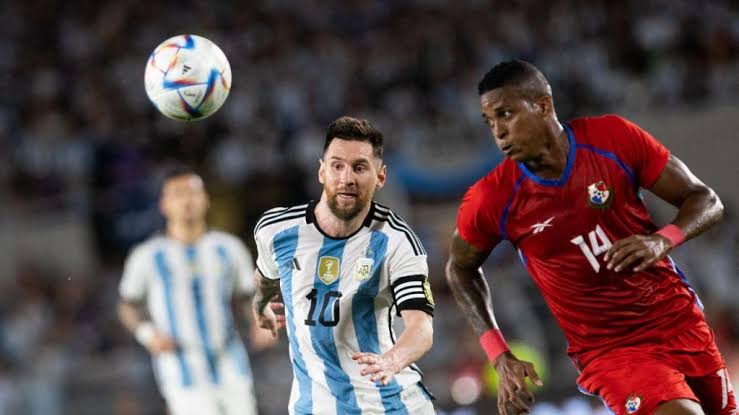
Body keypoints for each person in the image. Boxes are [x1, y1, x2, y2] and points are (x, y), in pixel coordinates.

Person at [445, 60, 736, 415]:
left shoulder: (612, 139)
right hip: (611, 351)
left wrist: (663, 239)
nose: (499, 132)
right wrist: (499, 354)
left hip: (681, 322)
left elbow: (705, 200)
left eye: (506, 114)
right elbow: (460, 268)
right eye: (490, 122)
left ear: (543, 106)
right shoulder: (492, 198)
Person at [252, 116, 436, 414]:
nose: (347, 178)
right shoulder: (276, 231)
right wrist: (260, 309)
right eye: (337, 165)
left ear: (381, 176)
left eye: (360, 167)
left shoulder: (396, 241)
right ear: (321, 171)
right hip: (315, 406)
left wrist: (391, 360)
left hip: (392, 405)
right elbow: (265, 279)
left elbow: (421, 327)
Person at [118, 166, 274, 415]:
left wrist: (259, 319)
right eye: (178, 194)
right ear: (164, 204)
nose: (187, 200)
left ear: (206, 199)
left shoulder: (229, 248)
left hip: (230, 360)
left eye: (193, 192)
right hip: (181, 365)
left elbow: (247, 294)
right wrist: (147, 333)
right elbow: (128, 304)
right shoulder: (147, 256)